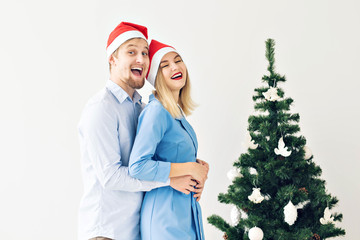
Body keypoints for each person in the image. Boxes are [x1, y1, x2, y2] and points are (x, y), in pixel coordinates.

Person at [77, 22, 204, 240]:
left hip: (135, 230)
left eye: (145, 53)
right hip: (107, 232)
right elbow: (111, 176)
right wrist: (170, 179)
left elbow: (160, 154)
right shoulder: (101, 108)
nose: (141, 59)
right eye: (131, 52)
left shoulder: (140, 107)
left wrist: (194, 169)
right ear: (113, 59)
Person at [129, 40, 208, 240]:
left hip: (183, 213)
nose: (175, 67)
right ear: (157, 77)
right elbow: (137, 166)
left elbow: (174, 157)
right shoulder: (156, 111)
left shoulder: (175, 111)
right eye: (165, 65)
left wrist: (200, 169)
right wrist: (189, 168)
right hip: (164, 218)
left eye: (178, 60)